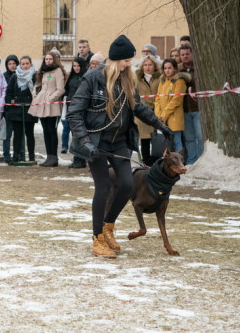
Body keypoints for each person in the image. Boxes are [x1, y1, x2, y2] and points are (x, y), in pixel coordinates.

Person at [67, 35, 173, 258]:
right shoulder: (92, 79)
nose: (129, 64)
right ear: (116, 60)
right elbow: (74, 113)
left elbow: (138, 108)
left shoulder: (128, 80)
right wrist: (85, 142)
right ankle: (97, 239)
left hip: (119, 141)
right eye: (126, 60)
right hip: (95, 142)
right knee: (103, 187)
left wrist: (159, 125)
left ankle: (108, 227)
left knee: (126, 185)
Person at [28, 51, 67, 167]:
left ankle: (54, 157)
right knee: (45, 130)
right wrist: (35, 95)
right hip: (42, 103)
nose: (48, 61)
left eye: (50, 59)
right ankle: (48, 156)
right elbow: (37, 85)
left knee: (51, 130)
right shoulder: (44, 72)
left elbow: (60, 89)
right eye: (46, 59)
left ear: (54, 60)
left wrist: (50, 99)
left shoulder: (58, 71)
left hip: (52, 104)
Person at [5, 56, 37, 163]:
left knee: (30, 134)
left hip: (30, 109)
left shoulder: (34, 76)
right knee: (17, 134)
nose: (25, 66)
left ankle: (31, 156)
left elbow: (37, 91)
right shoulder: (14, 76)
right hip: (16, 109)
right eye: (23, 64)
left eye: (27, 63)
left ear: (30, 64)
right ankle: (16, 156)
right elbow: (9, 92)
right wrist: (10, 105)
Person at [155, 58, 190, 153]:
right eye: (165, 68)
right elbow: (157, 99)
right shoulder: (162, 81)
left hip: (174, 117)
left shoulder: (179, 81)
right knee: (165, 143)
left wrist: (164, 115)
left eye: (169, 68)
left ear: (175, 68)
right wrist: (158, 114)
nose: (167, 70)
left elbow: (176, 100)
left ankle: (180, 161)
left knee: (177, 140)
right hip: (162, 118)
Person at [135, 55, 162, 166]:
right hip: (142, 113)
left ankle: (156, 162)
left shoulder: (160, 78)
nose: (147, 67)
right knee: (144, 140)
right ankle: (146, 162)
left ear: (154, 66)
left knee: (157, 140)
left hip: (157, 111)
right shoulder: (137, 79)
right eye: (145, 65)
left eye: (150, 65)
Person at [178, 44, 203, 164]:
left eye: (187, 54)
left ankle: (201, 159)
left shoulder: (199, 67)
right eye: (182, 55)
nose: (185, 56)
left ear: (192, 54)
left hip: (198, 108)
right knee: (189, 138)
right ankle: (192, 161)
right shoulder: (177, 68)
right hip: (183, 109)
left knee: (200, 136)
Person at [65, 57, 89, 168]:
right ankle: (76, 158)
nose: (76, 68)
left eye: (78, 66)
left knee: (80, 135)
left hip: (81, 110)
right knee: (74, 135)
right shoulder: (72, 77)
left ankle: (82, 159)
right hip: (71, 109)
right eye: (74, 66)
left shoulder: (85, 77)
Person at [2, 55, 19, 162]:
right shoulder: (3, 76)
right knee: (7, 135)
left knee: (18, 135)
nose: (12, 66)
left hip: (18, 109)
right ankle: (6, 156)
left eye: (14, 64)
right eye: (10, 64)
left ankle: (19, 155)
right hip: (7, 110)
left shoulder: (20, 75)